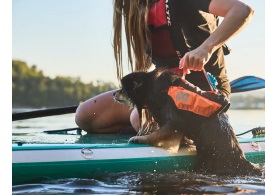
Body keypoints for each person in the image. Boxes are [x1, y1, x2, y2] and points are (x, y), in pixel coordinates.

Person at [75, 0, 254, 133]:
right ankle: (147, 131)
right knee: (85, 116)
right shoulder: (134, 9)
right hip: (163, 91)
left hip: (205, 90)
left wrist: (205, 48)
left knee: (139, 118)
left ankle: (169, 132)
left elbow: (242, 11)